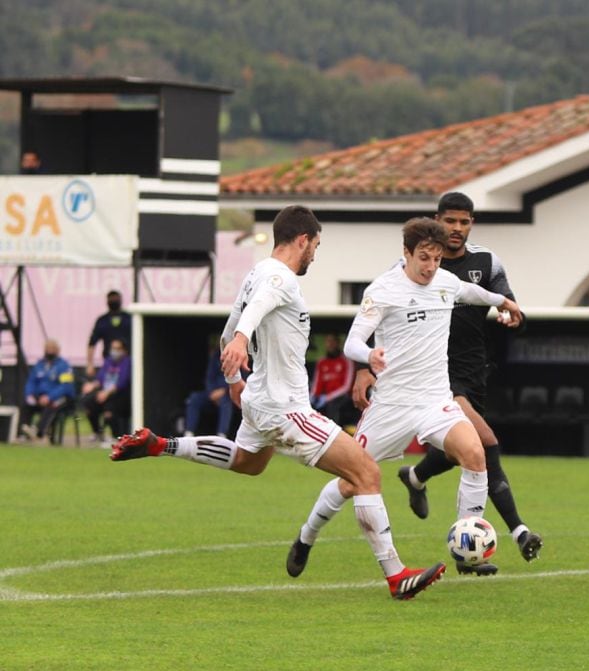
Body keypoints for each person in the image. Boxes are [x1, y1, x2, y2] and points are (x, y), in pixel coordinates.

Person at [109, 205, 446, 600]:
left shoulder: (255, 273)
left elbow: (230, 327)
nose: (315, 255)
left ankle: (162, 444)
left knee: (249, 462)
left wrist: (235, 378)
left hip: (259, 400)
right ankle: (395, 575)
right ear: (302, 240)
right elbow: (245, 322)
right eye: (316, 246)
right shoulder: (279, 277)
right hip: (286, 409)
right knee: (366, 472)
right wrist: (240, 343)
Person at [288, 216, 523, 579]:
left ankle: (467, 545)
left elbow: (469, 293)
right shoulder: (382, 290)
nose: (431, 267)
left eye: (437, 259)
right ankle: (306, 536)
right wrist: (370, 356)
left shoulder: (445, 281)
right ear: (407, 253)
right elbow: (353, 341)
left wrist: (501, 301)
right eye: (424, 258)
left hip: (434, 400)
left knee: (475, 455)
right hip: (391, 405)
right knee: (352, 480)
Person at [355, 191, 543, 576]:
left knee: (462, 449)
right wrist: (363, 366)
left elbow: (504, 302)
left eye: (464, 221)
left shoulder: (487, 261)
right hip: (433, 376)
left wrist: (512, 314)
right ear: (437, 222)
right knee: (484, 444)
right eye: (450, 221)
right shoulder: (409, 266)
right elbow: (380, 321)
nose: (456, 229)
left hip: (474, 369)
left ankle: (416, 475)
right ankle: (515, 531)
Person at [18, 338, 76, 443]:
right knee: (26, 404)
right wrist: (29, 394)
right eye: (47, 349)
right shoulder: (39, 364)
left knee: (52, 405)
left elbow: (65, 386)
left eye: (52, 349)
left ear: (57, 351)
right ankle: (24, 432)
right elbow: (31, 381)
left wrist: (50, 396)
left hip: (61, 397)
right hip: (41, 396)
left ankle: (39, 432)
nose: (49, 351)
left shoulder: (64, 366)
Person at [81, 338, 132, 444]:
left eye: (118, 348)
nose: (115, 351)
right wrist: (91, 385)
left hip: (119, 395)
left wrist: (107, 392)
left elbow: (122, 382)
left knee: (109, 411)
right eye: (113, 348)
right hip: (104, 393)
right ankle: (97, 432)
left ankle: (116, 437)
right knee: (87, 403)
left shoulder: (127, 362)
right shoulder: (108, 361)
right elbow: (100, 379)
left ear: (124, 350)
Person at [184, 344, 234, 437]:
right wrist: (211, 392)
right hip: (212, 394)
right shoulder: (216, 356)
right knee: (194, 398)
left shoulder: (237, 355)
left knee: (225, 401)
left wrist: (225, 390)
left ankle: (221, 435)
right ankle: (189, 433)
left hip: (230, 394)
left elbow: (242, 379)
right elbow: (209, 377)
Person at [310, 333, 356, 428]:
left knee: (333, 405)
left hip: (342, 396)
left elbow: (347, 386)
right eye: (328, 341)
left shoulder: (346, 361)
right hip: (325, 396)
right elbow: (316, 384)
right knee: (310, 405)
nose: (330, 344)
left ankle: (334, 433)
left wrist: (327, 398)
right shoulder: (321, 362)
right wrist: (313, 396)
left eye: (332, 341)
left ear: (338, 343)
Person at [86, 290, 132, 381]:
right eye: (111, 299)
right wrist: (90, 364)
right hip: (109, 361)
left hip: (128, 361)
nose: (114, 301)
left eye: (116, 299)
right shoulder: (102, 320)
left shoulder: (129, 318)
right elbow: (92, 343)